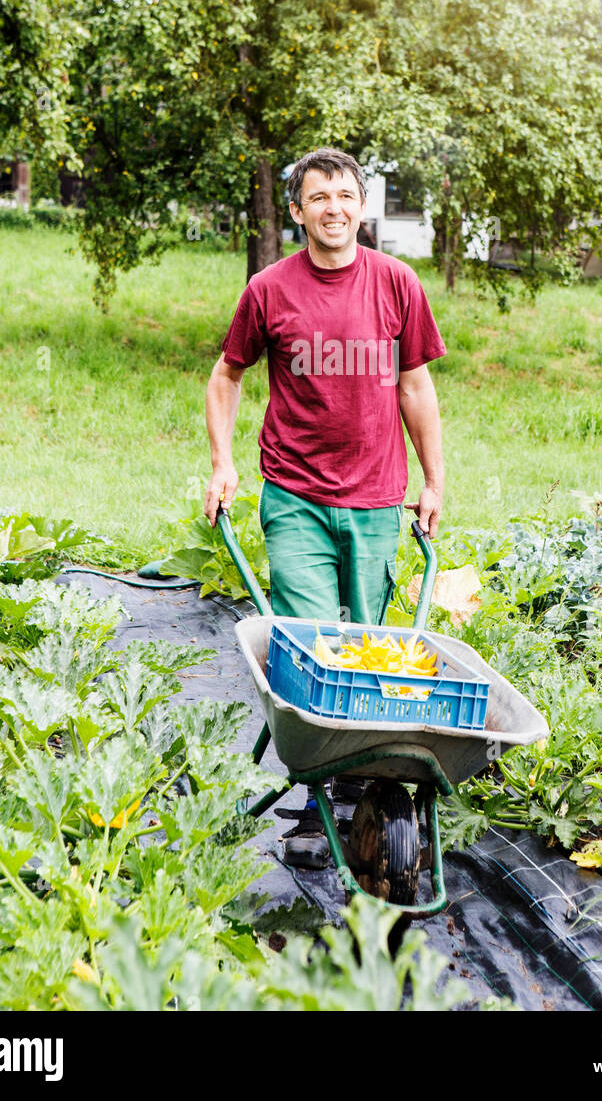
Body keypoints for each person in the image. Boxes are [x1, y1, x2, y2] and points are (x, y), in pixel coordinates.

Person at [203, 147, 446, 864]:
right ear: (299, 210)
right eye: (319, 197)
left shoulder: (398, 284)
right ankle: (316, 801)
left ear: (362, 205)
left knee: (368, 647)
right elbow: (227, 377)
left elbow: (415, 389)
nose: (334, 208)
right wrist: (222, 464)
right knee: (311, 647)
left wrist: (433, 482)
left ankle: (354, 786)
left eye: (345, 195)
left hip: (376, 498)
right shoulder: (269, 290)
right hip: (296, 496)